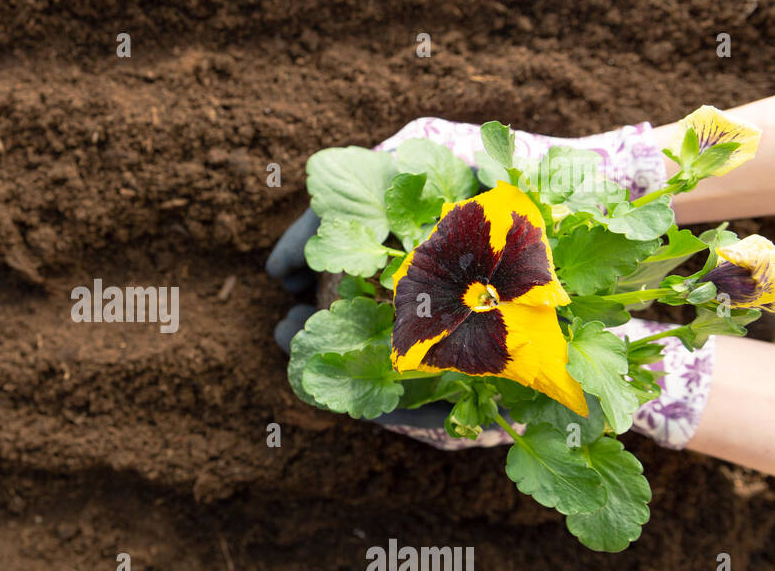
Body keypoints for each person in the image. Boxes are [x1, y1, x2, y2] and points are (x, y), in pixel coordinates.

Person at [268, 97, 775, 476]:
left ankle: (660, 373)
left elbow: (537, 317)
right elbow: (492, 228)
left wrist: (608, 382)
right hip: (479, 283)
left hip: (506, 316)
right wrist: (623, 171)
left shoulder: (519, 306)